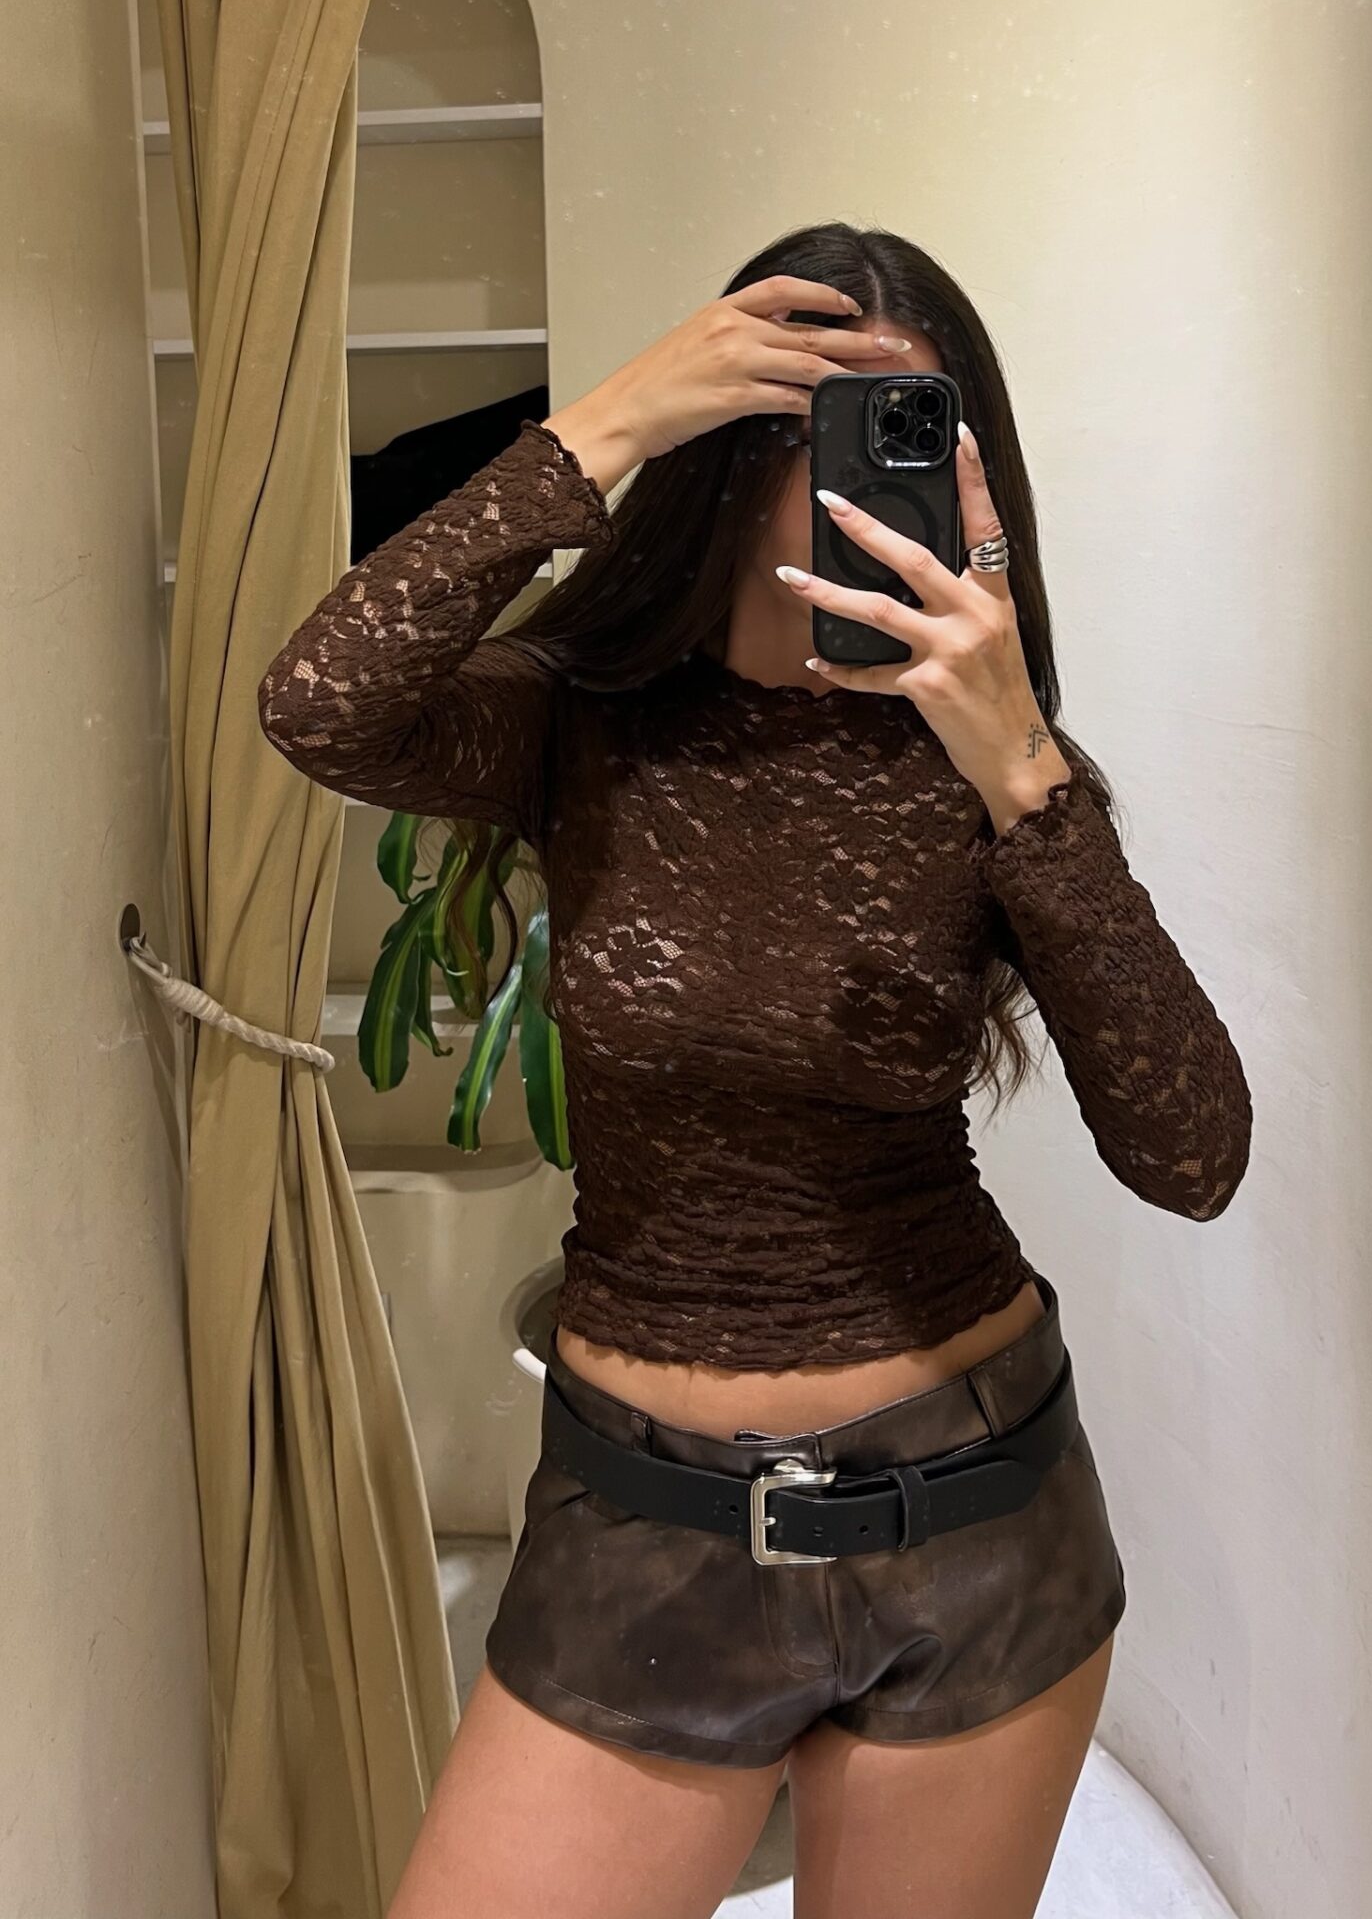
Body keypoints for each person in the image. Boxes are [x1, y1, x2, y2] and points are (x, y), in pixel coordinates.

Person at [258, 222, 1253, 1919]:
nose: (855, 477)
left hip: (974, 1520)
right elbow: (320, 704)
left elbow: (1193, 1154)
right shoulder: (580, 724)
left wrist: (1020, 765)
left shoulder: (1001, 775)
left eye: (911, 430)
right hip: (637, 1525)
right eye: (797, 423)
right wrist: (605, 425)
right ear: (719, 454)